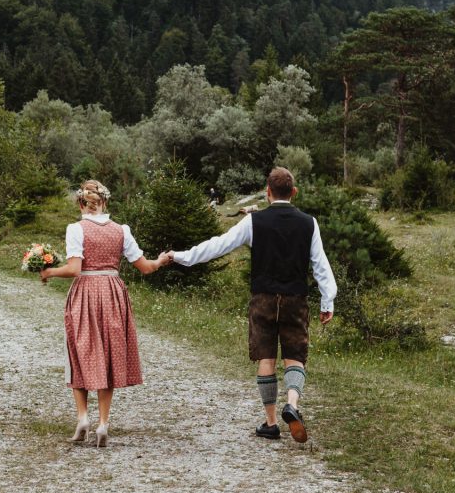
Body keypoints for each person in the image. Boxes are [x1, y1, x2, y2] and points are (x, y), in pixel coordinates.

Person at [166, 167, 335, 443]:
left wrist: (181, 256)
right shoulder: (309, 223)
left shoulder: (253, 222)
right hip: (295, 299)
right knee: (295, 357)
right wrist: (328, 300)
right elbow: (321, 265)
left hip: (263, 299)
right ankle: (292, 404)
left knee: (266, 358)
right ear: (294, 192)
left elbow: (219, 245)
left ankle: (271, 423)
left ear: (267, 192)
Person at [40, 179, 171, 447]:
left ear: (81, 203)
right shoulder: (121, 230)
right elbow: (145, 267)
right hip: (113, 293)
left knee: (79, 351)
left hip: (86, 292)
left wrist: (49, 272)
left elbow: (75, 269)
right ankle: (103, 424)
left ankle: (82, 418)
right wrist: (160, 261)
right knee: (108, 355)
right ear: (105, 202)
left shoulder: (76, 229)